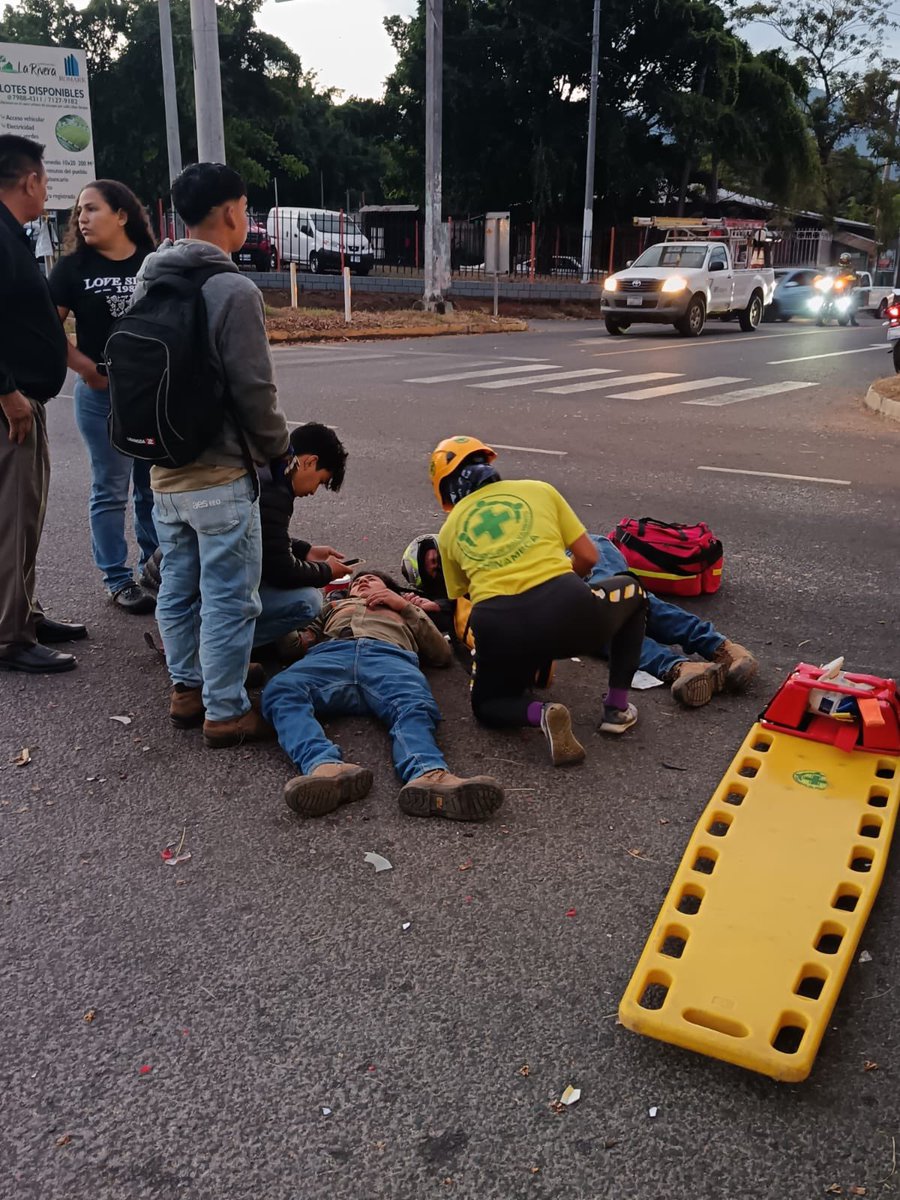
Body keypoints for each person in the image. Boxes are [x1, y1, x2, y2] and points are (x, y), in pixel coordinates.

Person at [133, 162, 290, 748]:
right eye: (246, 210)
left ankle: (189, 686)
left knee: (177, 585)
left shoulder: (150, 278)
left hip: (164, 471)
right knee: (229, 596)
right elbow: (255, 390)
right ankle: (225, 711)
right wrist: (277, 450)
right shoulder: (234, 290)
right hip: (221, 473)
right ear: (231, 211)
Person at [431, 436, 648, 766]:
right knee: (633, 592)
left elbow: (464, 594)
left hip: (498, 629)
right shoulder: (539, 490)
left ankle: (541, 713)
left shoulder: (448, 531)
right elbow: (588, 557)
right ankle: (616, 709)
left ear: (447, 491)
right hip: (567, 610)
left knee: (487, 705)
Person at [401, 532, 757, 708]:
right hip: (562, 585)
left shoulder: (477, 545)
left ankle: (721, 649)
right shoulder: (464, 598)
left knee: (631, 602)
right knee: (599, 626)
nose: (444, 562)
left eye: (439, 556)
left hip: (581, 554)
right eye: (436, 568)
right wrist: (434, 610)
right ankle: (683, 668)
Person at [261, 570, 504, 821]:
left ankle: (429, 775)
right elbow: (293, 647)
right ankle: (324, 767)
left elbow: (441, 655)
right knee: (280, 690)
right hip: (330, 655)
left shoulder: (404, 607)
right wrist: (283, 617)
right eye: (357, 582)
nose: (362, 581)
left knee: (414, 704)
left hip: (389, 658)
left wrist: (404, 607)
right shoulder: (333, 606)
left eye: (371, 579)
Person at [50, 180, 158, 613]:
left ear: (122, 214)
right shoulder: (72, 268)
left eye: (91, 209)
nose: (82, 218)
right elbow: (46, 328)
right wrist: (86, 369)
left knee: (154, 488)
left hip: (152, 395)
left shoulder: (154, 262)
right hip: (101, 396)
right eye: (79, 211)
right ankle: (118, 579)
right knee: (111, 488)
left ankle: (158, 569)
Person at [0, 134, 84, 674]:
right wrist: (7, 393)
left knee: (26, 516)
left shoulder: (13, 235)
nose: (47, 188)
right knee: (13, 518)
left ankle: (23, 613)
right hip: (13, 401)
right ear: (29, 180)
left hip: (26, 396)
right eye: (46, 179)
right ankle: (11, 636)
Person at [586, 535, 757, 706]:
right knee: (597, 623)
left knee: (616, 596)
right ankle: (680, 668)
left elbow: (581, 552)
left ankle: (719, 647)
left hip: (581, 550)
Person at [254, 421, 350, 655]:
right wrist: (326, 571)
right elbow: (280, 570)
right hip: (205, 591)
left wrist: (306, 550)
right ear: (309, 462)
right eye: (320, 480)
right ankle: (223, 649)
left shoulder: (266, 471)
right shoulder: (274, 490)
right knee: (309, 601)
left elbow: (262, 538)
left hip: (177, 580)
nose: (314, 491)